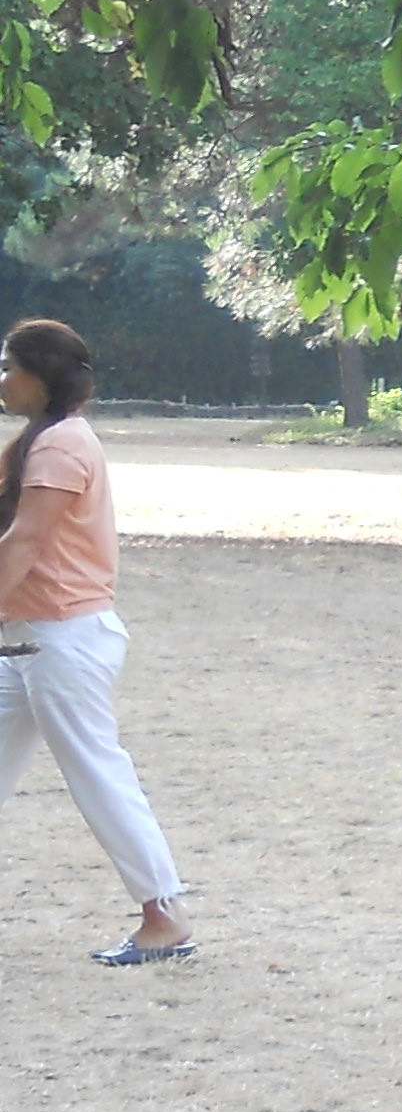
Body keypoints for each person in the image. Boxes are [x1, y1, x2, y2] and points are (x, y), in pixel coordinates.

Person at [0, 319, 193, 965]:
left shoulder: (60, 446)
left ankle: (165, 915)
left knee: (98, 775)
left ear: (41, 376)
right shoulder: (40, 439)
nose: (2, 379)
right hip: (28, 641)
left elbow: (26, 541)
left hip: (62, 640)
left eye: (9, 367)